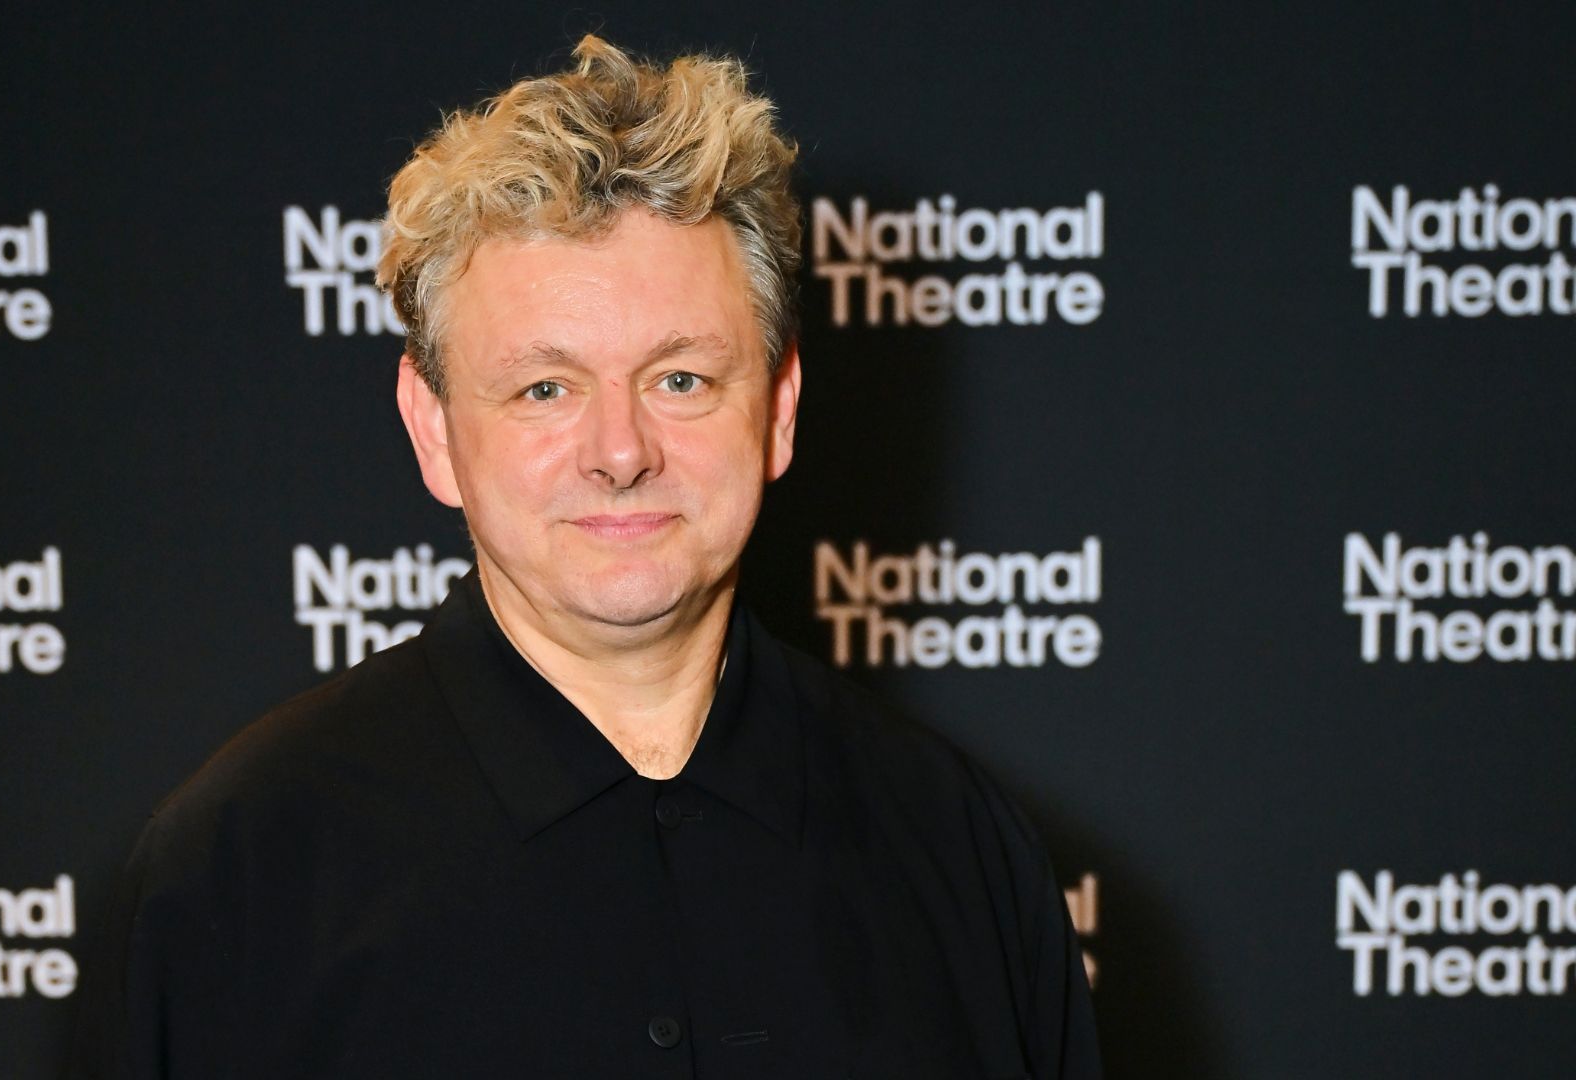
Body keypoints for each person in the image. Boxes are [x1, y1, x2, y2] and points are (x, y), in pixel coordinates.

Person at [69, 34, 1099, 1079]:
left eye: (682, 379)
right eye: (545, 389)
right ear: (433, 430)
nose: (621, 453)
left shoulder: (961, 847)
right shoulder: (234, 878)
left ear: (779, 410)